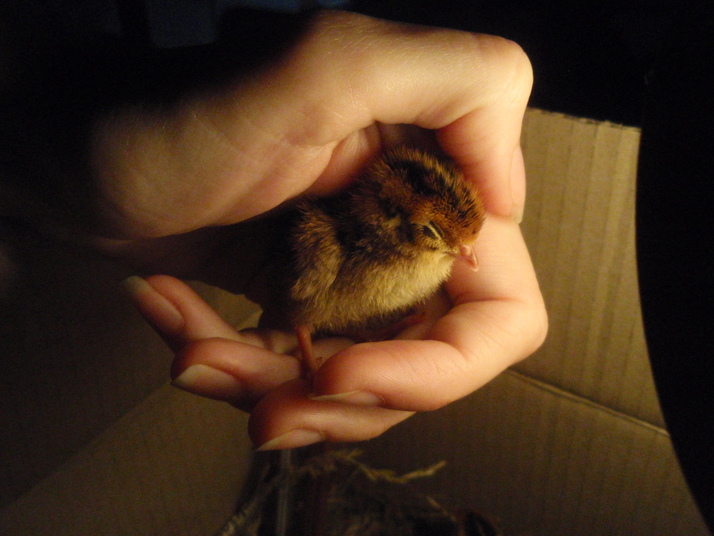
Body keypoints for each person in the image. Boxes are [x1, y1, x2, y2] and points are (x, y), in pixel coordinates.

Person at [3, 9, 547, 450]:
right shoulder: (327, 241)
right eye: (436, 235)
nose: (464, 254)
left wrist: (37, 169)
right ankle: (308, 340)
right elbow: (311, 284)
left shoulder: (430, 247)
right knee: (320, 291)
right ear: (390, 220)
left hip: (43, 129)